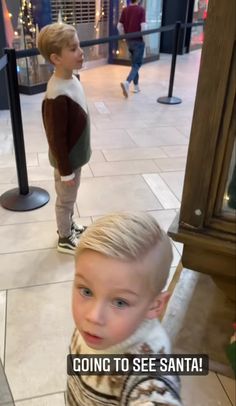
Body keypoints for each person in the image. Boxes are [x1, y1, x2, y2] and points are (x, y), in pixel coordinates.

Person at [67, 212, 182, 405]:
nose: (94, 316)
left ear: (155, 305)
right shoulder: (93, 330)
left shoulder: (148, 371)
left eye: (120, 302)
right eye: (86, 291)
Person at [37, 23, 91, 255]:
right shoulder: (56, 95)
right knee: (65, 200)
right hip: (66, 160)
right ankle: (65, 238)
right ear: (56, 58)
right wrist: (66, 170)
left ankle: (68, 225)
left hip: (74, 156)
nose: (81, 52)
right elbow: (56, 138)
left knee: (70, 196)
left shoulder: (71, 79)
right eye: (73, 49)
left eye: (78, 46)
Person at [117, 0, 147, 98]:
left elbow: (119, 26)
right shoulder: (141, 10)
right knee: (137, 64)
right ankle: (127, 82)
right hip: (138, 40)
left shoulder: (125, 10)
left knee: (134, 64)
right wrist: (144, 39)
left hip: (129, 41)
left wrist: (124, 36)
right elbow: (143, 26)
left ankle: (136, 86)